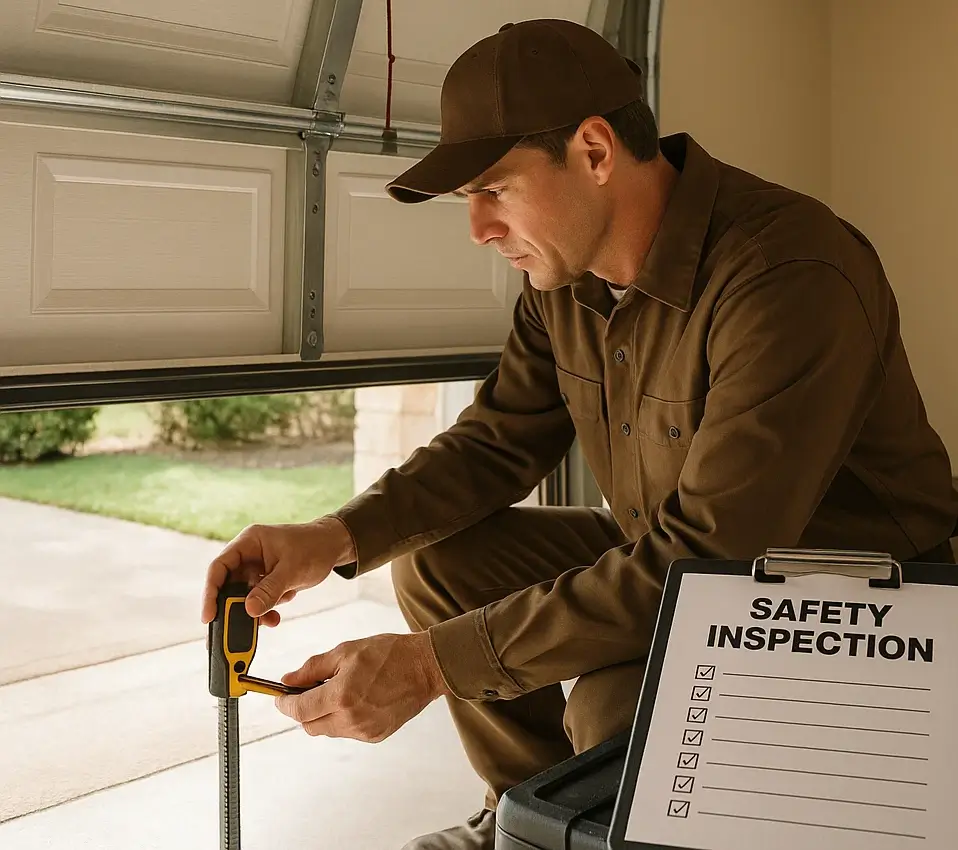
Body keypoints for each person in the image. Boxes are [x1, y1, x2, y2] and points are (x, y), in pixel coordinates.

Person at [200, 18, 958, 850]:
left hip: (852, 606)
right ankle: (526, 820)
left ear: (595, 152)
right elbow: (496, 442)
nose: (479, 229)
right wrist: (331, 537)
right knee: (442, 564)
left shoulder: (789, 275)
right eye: (468, 201)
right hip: (680, 566)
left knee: (606, 709)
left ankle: (573, 821)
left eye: (495, 189)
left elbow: (708, 558)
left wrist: (429, 665)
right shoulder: (564, 281)